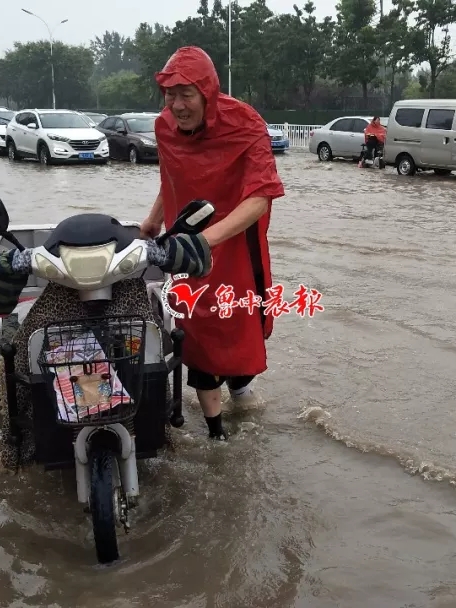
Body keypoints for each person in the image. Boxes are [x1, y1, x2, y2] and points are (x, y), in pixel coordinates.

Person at [139, 46, 285, 441]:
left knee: (243, 321)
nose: (177, 105)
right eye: (170, 94)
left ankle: (240, 386)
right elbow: (169, 176)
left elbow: (261, 195)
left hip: (236, 242)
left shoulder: (245, 123)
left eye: (186, 94)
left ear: (207, 93)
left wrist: (207, 240)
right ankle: (217, 434)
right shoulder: (163, 126)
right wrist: (154, 218)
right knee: (197, 327)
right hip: (186, 245)